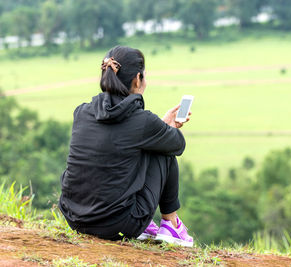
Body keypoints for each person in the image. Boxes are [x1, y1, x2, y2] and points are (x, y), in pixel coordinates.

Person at [58, 45, 193, 247]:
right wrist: (166, 128)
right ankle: (171, 225)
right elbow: (177, 144)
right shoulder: (143, 122)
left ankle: (147, 227)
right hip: (118, 225)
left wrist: (159, 129)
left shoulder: (82, 112)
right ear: (137, 79)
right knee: (164, 151)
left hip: (74, 218)